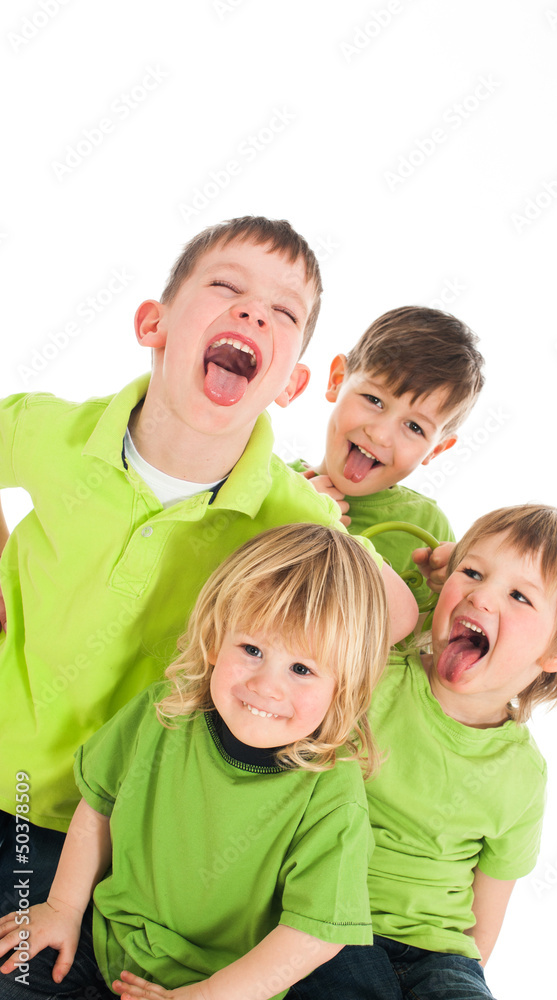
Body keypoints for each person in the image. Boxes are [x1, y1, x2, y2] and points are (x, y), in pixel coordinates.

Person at [0, 217, 417, 909]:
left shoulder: (291, 513)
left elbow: (393, 614)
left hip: (108, 824)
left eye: (284, 311)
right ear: (154, 324)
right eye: (226, 286)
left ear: (290, 384)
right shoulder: (54, 432)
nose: (253, 312)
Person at [0, 523, 391, 1000]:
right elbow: (98, 806)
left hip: (225, 985)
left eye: (301, 669)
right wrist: (62, 908)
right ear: (214, 639)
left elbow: (314, 935)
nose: (266, 686)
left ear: (345, 687)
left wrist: (203, 995)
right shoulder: (163, 711)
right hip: (106, 940)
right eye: (252, 650)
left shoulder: (331, 792)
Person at [287, 504, 557, 1000]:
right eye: (473, 573)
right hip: (332, 925)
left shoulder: (523, 774)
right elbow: (346, 594)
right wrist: (432, 589)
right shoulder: (375, 674)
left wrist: (464, 974)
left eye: (519, 595)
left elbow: (485, 917)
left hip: (441, 956)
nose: (480, 595)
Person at [289, 306, 484, 607]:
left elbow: (424, 633)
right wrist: (283, 518)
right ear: (337, 379)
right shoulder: (267, 480)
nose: (380, 435)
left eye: (414, 427)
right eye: (374, 400)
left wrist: (452, 590)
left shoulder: (427, 529)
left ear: (436, 450)